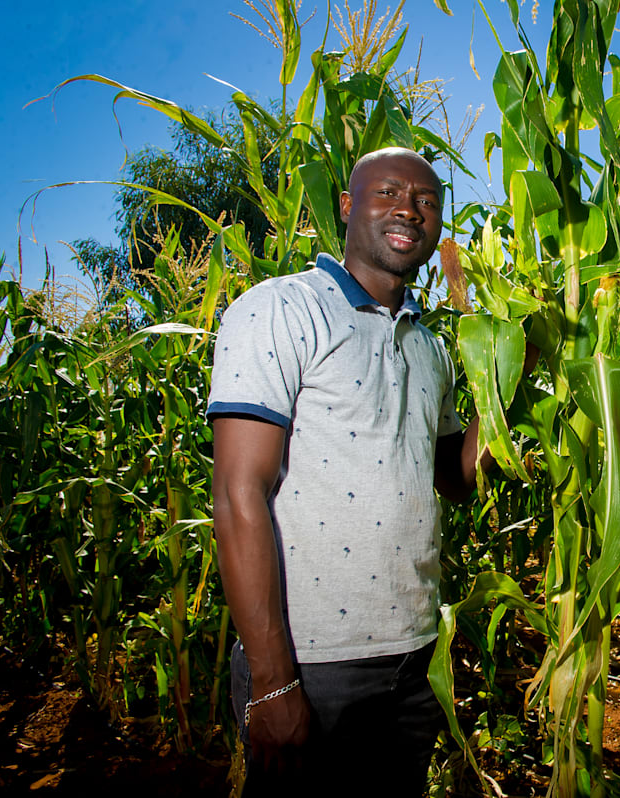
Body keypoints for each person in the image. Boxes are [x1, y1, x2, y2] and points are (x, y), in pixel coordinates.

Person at [208, 147, 485, 795]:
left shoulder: (429, 346)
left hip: (413, 657)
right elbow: (236, 494)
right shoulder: (282, 309)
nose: (408, 210)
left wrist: (509, 381)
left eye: (425, 200)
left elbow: (457, 480)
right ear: (347, 206)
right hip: (312, 664)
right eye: (387, 192)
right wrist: (275, 683)